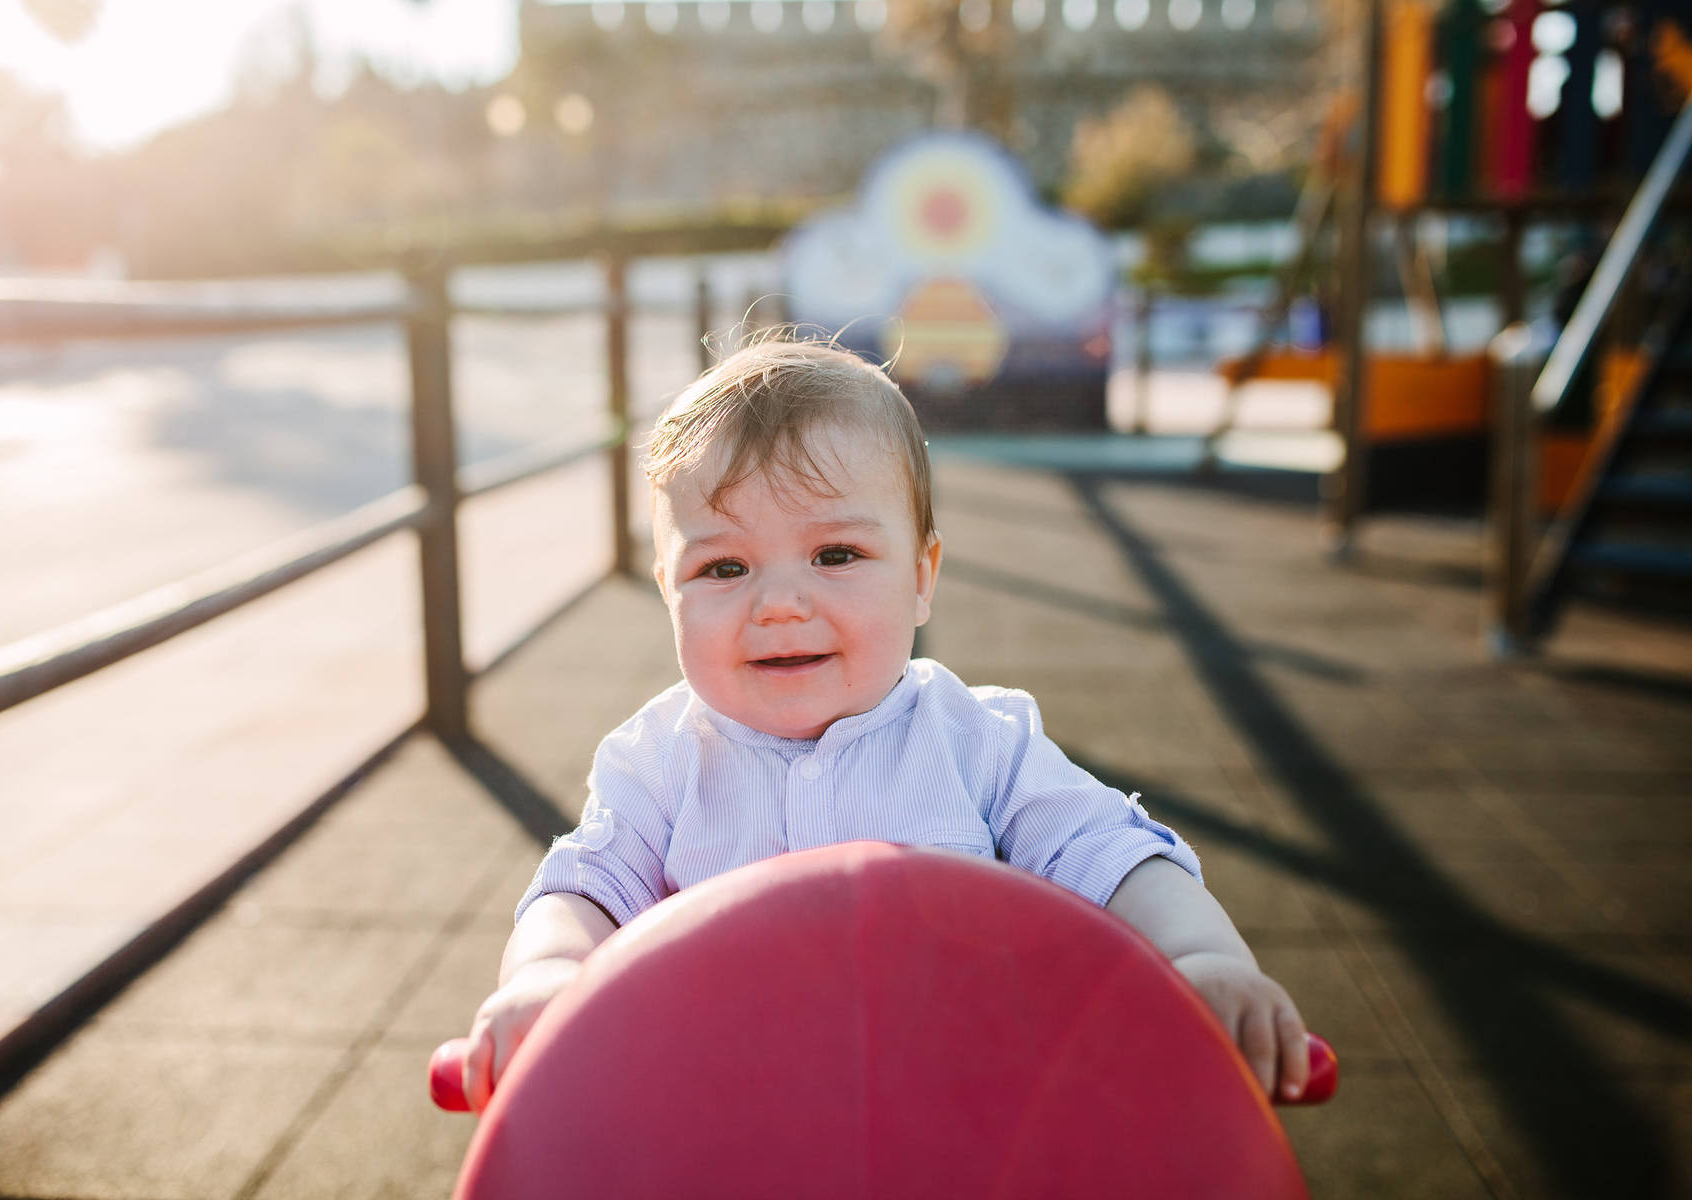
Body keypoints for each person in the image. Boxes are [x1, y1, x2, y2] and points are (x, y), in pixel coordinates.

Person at [461, 338, 1308, 1110]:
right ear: (666, 592)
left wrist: (1203, 960)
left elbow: (1115, 855)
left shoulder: (980, 745)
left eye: (836, 555)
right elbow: (584, 887)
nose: (781, 603)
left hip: (962, 1112)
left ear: (921, 576)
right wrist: (547, 976)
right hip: (720, 1118)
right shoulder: (660, 763)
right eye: (723, 566)